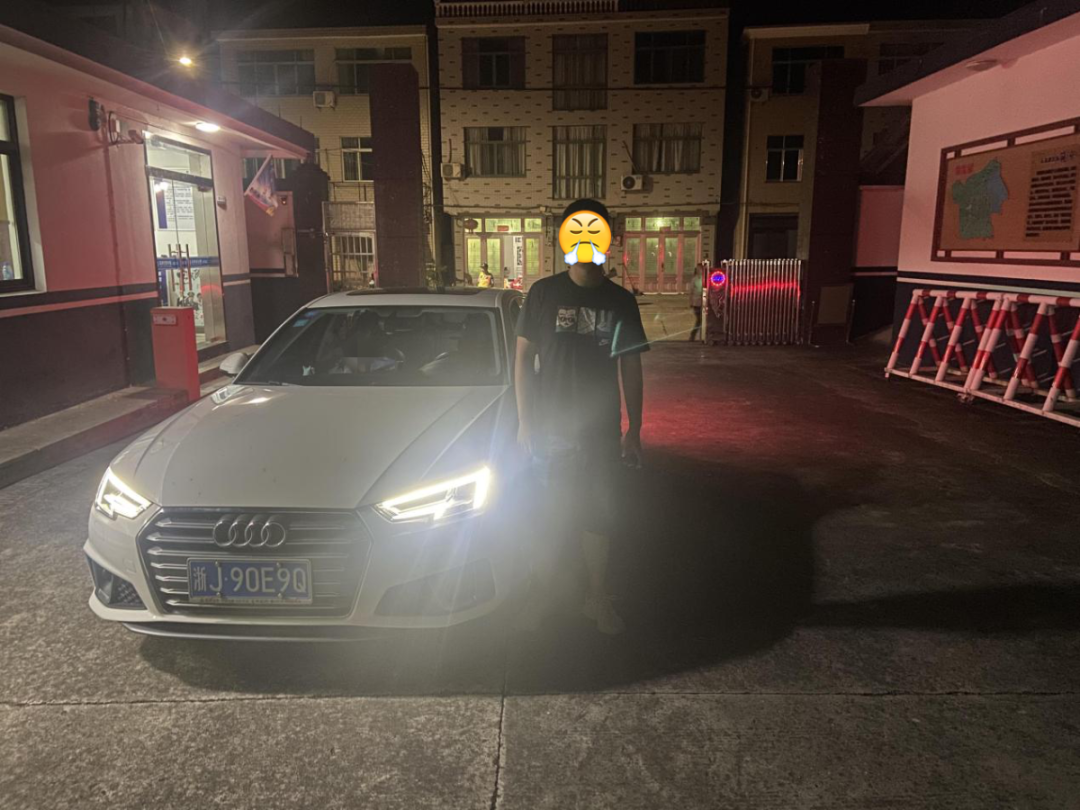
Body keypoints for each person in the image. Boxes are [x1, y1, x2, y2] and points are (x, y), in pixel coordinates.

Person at [514, 198, 648, 635]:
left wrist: (634, 429)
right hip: (550, 431)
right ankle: (544, 596)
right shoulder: (543, 293)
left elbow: (631, 366)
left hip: (601, 432)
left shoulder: (620, 301)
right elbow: (522, 360)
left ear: (609, 240)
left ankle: (596, 597)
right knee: (549, 516)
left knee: (598, 517)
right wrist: (525, 422)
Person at [689, 260, 704, 342]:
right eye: (698, 269)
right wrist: (691, 302)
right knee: (699, 320)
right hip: (696, 303)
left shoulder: (705, 278)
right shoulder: (694, 279)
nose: (699, 271)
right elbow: (691, 292)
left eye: (700, 269)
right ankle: (693, 334)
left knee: (701, 320)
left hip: (703, 302)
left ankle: (699, 335)